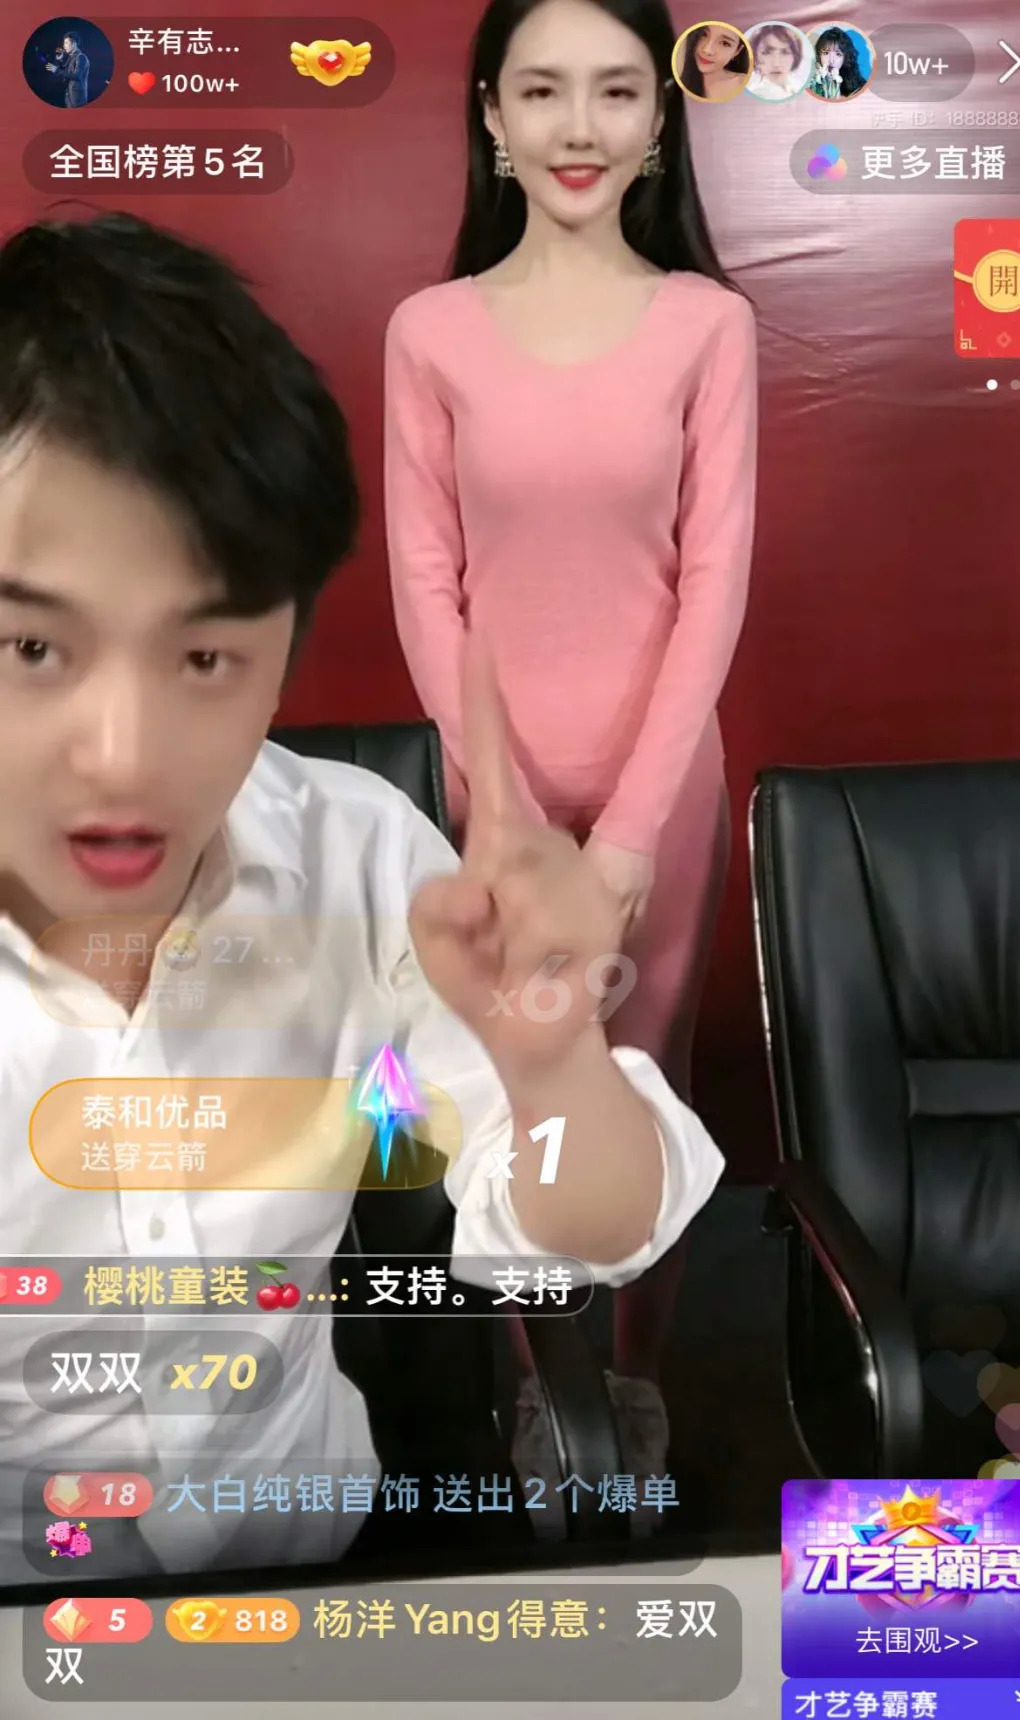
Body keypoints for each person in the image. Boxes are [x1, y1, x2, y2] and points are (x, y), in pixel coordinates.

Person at [0, 211, 724, 1583]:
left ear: (284, 656)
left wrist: (555, 1062)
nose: (123, 754)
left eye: (204, 658)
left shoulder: (359, 855)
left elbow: (590, 1228)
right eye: (34, 646)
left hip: (306, 1582)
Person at [383, 0, 756, 1488]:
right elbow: (428, 583)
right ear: (492, 116)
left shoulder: (708, 325)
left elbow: (714, 581)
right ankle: (543, 1391)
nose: (579, 127)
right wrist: (513, 818)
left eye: (615, 92)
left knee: (644, 1073)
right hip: (495, 792)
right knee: (518, 1081)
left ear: (660, 122)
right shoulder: (430, 331)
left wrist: (627, 839)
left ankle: (638, 1382)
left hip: (663, 788)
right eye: (543, 92)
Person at [678, 21, 750, 102]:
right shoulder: (680, 83)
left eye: (725, 43)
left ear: (737, 51)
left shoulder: (748, 84)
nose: (707, 50)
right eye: (704, 34)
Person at [745, 22, 807, 101]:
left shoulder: (797, 87)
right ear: (755, 57)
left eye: (785, 52)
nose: (776, 63)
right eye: (766, 52)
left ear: (795, 57)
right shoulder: (759, 93)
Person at [806, 25, 866, 101]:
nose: (831, 60)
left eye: (838, 54)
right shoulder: (811, 83)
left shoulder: (860, 87)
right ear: (819, 55)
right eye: (826, 53)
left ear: (845, 57)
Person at [46, 31, 91, 107]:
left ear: (74, 44)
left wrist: (57, 70)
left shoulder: (81, 57)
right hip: (69, 98)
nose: (64, 46)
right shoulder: (70, 58)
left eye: (66, 43)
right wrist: (59, 60)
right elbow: (63, 72)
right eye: (64, 43)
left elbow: (77, 76)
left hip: (77, 99)